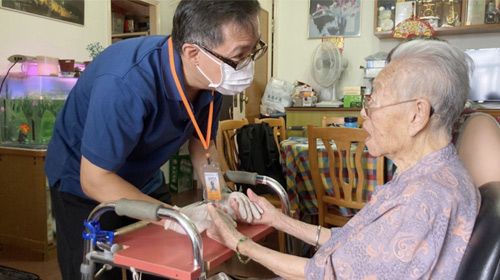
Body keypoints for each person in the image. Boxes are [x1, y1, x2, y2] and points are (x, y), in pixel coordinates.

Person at [206, 39, 480, 279]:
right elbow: (355, 245)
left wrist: (239, 243)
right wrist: (278, 220)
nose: (363, 113)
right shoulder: (426, 174)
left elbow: (324, 274)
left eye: (373, 101)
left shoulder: (425, 199)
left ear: (417, 115)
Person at [44, 0, 266, 279]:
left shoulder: (213, 74)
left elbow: (202, 141)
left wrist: (216, 194)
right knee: (100, 271)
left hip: (143, 178)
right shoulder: (126, 82)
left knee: (169, 264)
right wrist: (175, 218)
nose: (247, 66)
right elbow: (95, 178)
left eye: (253, 51)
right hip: (84, 184)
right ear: (193, 53)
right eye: (240, 55)